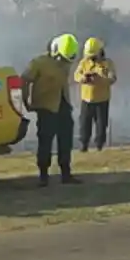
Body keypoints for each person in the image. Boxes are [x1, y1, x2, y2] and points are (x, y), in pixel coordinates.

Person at [21, 33, 83, 187]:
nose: (65, 63)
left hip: (63, 106)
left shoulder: (66, 62)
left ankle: (66, 174)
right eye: (63, 59)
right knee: (45, 142)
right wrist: (26, 100)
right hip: (46, 108)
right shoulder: (39, 63)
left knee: (66, 141)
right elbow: (24, 80)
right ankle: (43, 176)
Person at [74, 37, 118, 152]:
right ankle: (84, 145)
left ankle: (99, 146)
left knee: (101, 125)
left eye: (93, 55)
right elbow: (76, 75)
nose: (91, 58)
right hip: (86, 100)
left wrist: (100, 77)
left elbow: (112, 78)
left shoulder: (107, 64)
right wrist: (83, 78)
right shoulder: (84, 63)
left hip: (102, 100)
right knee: (84, 124)